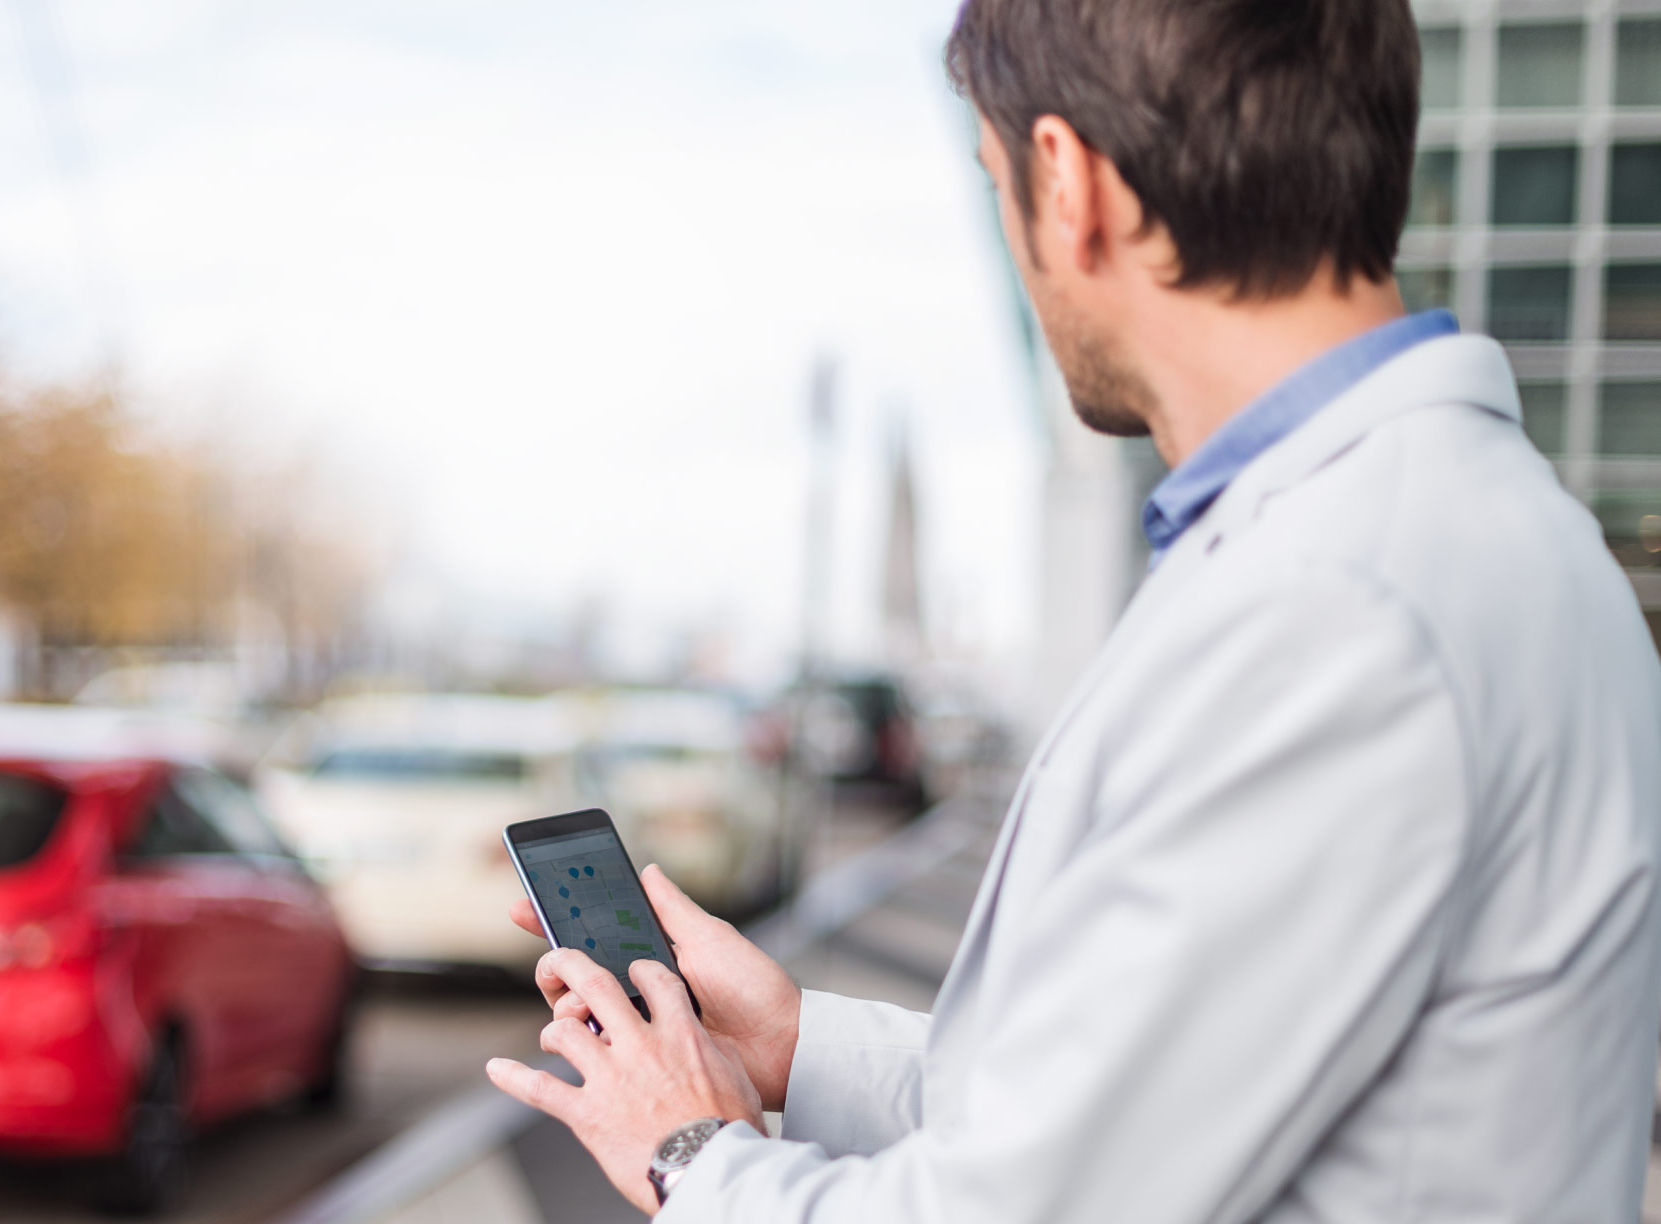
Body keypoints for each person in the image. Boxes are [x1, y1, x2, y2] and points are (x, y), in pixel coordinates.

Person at [483, 0, 1661, 1218]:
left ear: (1066, 181)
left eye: (997, 184)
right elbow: (1135, 1118)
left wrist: (693, 1158)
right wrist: (797, 1040)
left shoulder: (1340, 613)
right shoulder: (1463, 537)